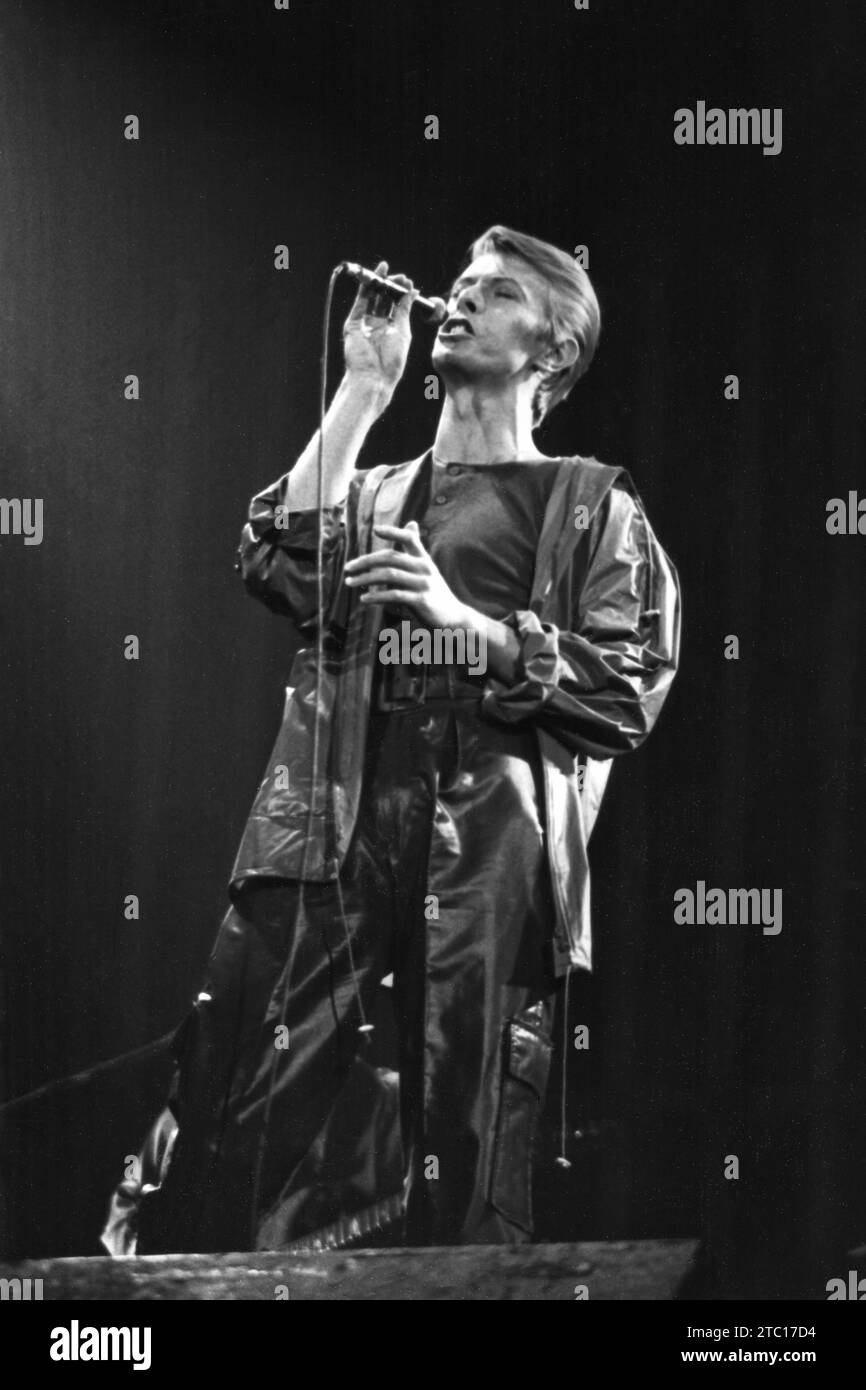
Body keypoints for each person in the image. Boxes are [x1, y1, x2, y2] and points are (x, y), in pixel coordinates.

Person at [132, 225, 681, 1254]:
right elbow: (274, 557)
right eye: (459, 284)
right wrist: (359, 393)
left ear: (551, 351)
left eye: (497, 291)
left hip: (486, 857)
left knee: (466, 1144)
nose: (460, 299)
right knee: (225, 1101)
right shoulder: (377, 492)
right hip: (326, 834)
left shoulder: (588, 505)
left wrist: (461, 627)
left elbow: (623, 685)